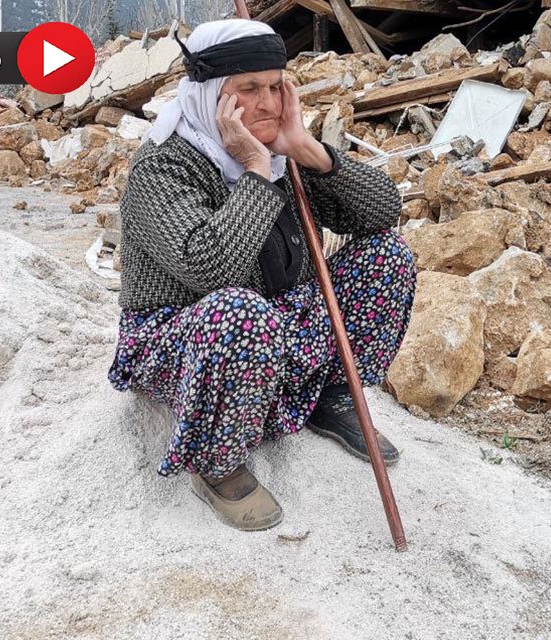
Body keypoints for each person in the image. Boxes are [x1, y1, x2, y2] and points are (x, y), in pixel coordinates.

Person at [108, 19, 416, 531]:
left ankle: (332, 395)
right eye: (249, 89)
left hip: (273, 320)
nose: (269, 104)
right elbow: (210, 270)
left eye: (276, 86)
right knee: (240, 313)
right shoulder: (163, 168)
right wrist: (253, 171)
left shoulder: (281, 152)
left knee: (386, 256)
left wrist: (308, 152)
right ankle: (216, 461)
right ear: (211, 97)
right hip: (183, 335)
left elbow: (382, 213)